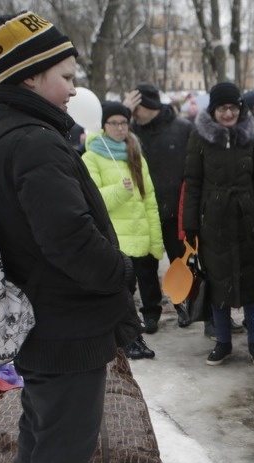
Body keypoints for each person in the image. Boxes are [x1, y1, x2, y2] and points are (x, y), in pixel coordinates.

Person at [0, 10, 135, 463]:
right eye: (65, 76)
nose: (73, 88)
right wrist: (120, 275)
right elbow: (68, 239)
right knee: (65, 441)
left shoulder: (4, 129)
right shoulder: (34, 142)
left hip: (43, 313)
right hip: (65, 316)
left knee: (42, 424)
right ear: (31, 76)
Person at [183, 81, 254, 367]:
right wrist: (190, 225)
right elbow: (193, 182)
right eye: (223, 108)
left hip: (248, 219)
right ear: (213, 109)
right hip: (214, 220)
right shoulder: (200, 137)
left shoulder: (251, 136)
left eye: (233, 107)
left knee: (253, 282)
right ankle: (223, 342)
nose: (228, 113)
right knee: (218, 282)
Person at [83, 101, 162, 359]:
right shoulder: (91, 156)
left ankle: (141, 327)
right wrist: (119, 191)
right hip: (114, 239)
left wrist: (155, 238)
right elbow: (92, 199)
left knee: (142, 285)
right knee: (122, 293)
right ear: (104, 126)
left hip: (140, 234)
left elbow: (149, 198)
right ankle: (128, 339)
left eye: (124, 123)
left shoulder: (134, 152)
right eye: (114, 123)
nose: (120, 128)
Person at [123, 81, 194, 328]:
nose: (132, 113)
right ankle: (150, 311)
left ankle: (183, 304)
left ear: (148, 105)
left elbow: (193, 168)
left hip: (175, 210)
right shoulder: (128, 132)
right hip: (142, 211)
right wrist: (123, 114)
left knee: (180, 263)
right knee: (144, 265)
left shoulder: (182, 128)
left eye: (135, 107)